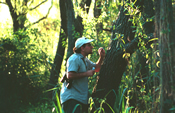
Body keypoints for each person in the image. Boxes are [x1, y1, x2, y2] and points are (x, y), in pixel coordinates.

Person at [60, 37, 105, 113]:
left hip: (80, 99)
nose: (92, 47)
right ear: (82, 48)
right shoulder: (74, 59)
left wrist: (101, 57)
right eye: (89, 45)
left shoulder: (84, 59)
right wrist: (86, 74)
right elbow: (69, 75)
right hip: (72, 98)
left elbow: (97, 69)